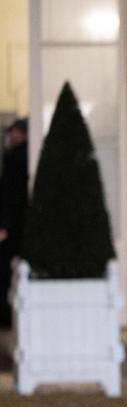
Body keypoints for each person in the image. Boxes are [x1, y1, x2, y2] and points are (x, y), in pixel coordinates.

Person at [0, 118, 28, 329]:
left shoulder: (14, 158)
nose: (11, 136)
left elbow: (8, 196)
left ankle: (5, 314)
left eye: (14, 132)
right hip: (21, 224)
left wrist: (4, 225)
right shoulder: (25, 156)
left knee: (5, 271)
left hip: (13, 225)